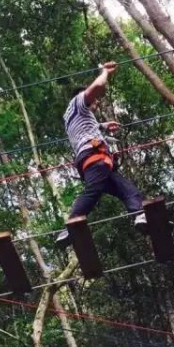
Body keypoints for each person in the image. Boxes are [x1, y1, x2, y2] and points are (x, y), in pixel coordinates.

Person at [55, 61, 147, 248]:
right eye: (95, 101)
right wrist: (104, 72)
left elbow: (86, 129)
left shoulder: (71, 116)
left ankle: (139, 215)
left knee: (127, 190)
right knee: (93, 191)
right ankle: (70, 225)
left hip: (93, 162)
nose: (96, 103)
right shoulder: (78, 102)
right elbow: (97, 86)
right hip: (95, 158)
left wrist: (103, 127)